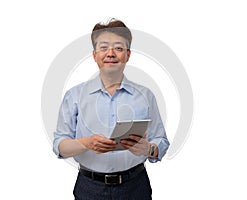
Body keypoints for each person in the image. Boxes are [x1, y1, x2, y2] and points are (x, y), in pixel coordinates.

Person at [53, 18, 170, 200]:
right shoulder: (74, 96)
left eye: (118, 48)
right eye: (104, 47)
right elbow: (60, 145)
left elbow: (161, 140)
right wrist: (86, 143)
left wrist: (148, 149)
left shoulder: (145, 96)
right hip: (89, 187)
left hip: (135, 186)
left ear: (128, 55)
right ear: (94, 55)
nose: (111, 53)